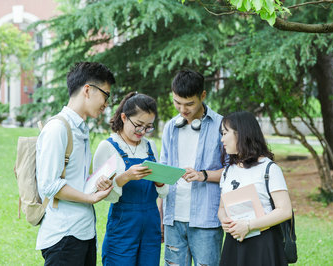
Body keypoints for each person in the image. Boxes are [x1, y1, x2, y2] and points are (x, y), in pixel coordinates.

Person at [35, 62, 115, 265]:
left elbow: (74, 179)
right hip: (64, 236)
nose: (106, 103)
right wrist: (90, 197)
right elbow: (50, 185)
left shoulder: (81, 128)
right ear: (88, 90)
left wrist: (96, 184)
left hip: (83, 232)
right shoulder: (58, 128)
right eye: (106, 95)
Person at [93, 92, 169, 266]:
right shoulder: (108, 147)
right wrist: (125, 177)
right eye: (139, 125)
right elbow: (102, 194)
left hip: (151, 222)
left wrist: (160, 181)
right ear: (124, 117)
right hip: (123, 223)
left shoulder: (149, 147)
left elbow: (163, 192)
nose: (143, 131)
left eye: (148, 127)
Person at [161, 69, 224, 266]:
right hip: (173, 217)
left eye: (189, 104)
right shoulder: (170, 127)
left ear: (203, 96)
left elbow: (234, 172)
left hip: (206, 219)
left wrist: (202, 175)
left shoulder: (221, 126)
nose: (182, 109)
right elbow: (163, 169)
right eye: (177, 103)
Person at [218, 111, 293, 266]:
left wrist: (249, 225)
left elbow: (285, 211)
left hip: (264, 245)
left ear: (241, 134)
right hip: (234, 245)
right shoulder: (227, 171)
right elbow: (222, 207)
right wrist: (224, 219)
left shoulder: (269, 169)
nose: (222, 139)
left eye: (225, 133)